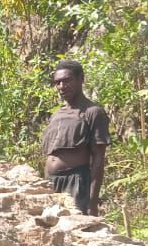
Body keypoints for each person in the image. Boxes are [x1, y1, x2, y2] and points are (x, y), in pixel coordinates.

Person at [41, 61, 110, 216]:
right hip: (51, 181)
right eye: (58, 82)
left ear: (81, 79)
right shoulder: (56, 114)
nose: (62, 86)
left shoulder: (93, 112)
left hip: (75, 182)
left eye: (67, 80)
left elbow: (98, 158)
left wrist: (92, 203)